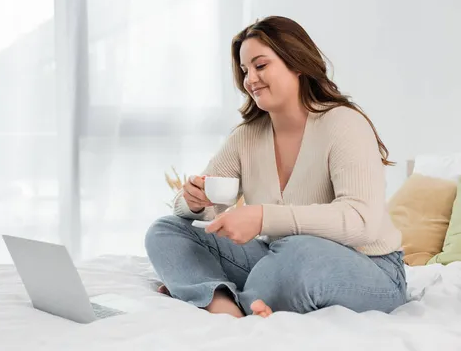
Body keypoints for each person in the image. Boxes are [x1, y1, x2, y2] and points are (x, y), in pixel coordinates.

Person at [145, 16, 407, 318]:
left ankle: (205, 292)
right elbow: (205, 209)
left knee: (298, 252)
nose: (250, 79)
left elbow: (362, 222)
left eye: (260, 65)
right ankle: (226, 308)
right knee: (166, 230)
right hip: (278, 259)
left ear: (295, 63)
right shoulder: (246, 136)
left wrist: (263, 217)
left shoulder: (344, 124)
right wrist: (194, 202)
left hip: (371, 270)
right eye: (244, 70)